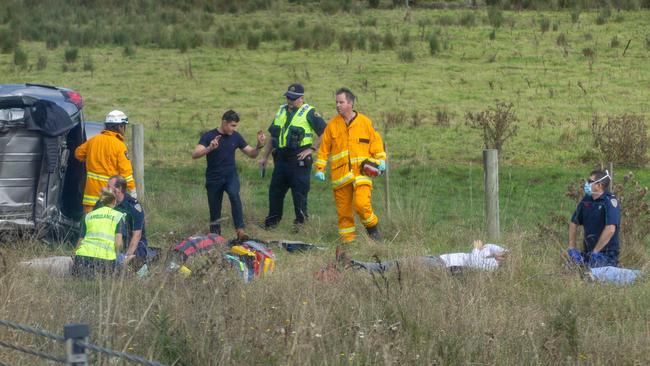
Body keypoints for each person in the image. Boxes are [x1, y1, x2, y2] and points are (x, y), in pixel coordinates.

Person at [314, 88, 386, 242]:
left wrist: (381, 160)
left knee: (361, 205)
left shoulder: (365, 122)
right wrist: (320, 169)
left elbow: (376, 143)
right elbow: (324, 149)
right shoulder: (332, 125)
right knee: (344, 212)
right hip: (340, 177)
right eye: (336, 102)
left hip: (361, 174)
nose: (338, 105)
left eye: (341, 102)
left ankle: (373, 231)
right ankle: (348, 242)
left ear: (350, 103)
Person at [259, 83, 327, 230]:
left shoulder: (309, 112)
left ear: (301, 98)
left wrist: (312, 149)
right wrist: (265, 157)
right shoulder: (281, 111)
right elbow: (273, 136)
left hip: (299, 160)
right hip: (281, 160)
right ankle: (271, 224)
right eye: (288, 97)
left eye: (293, 98)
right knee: (275, 192)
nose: (289, 100)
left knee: (299, 194)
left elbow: (325, 132)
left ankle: (301, 226)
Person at [192, 110, 265, 240]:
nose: (234, 128)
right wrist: (209, 148)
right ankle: (215, 236)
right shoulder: (209, 136)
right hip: (214, 177)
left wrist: (259, 145)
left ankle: (240, 231)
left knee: (234, 195)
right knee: (215, 208)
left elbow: (252, 154)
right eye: (232, 125)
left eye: (235, 126)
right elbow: (195, 154)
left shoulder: (236, 136)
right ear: (224, 122)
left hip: (230, 175)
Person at [75, 110, 136, 213]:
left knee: (90, 224)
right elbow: (126, 173)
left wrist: (91, 158)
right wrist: (132, 191)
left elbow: (78, 154)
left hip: (90, 193)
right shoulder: (119, 145)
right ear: (120, 127)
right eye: (124, 126)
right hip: (108, 193)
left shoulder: (93, 140)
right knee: (106, 223)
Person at [94, 175, 156, 264]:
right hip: (109, 242)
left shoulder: (133, 206)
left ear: (118, 189)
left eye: (109, 187)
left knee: (135, 259)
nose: (106, 189)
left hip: (131, 244)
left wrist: (126, 257)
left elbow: (137, 235)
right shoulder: (102, 203)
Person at [567, 169, 621, 268]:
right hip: (588, 252)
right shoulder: (586, 200)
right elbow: (574, 222)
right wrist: (571, 248)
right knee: (569, 269)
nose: (586, 184)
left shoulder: (609, 201)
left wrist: (596, 252)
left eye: (590, 182)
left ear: (599, 185)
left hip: (606, 254)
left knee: (591, 274)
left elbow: (610, 229)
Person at [72, 188, 126, 276]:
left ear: (101, 201)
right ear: (114, 202)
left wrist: (74, 257)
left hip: (82, 258)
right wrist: (119, 258)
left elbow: (80, 242)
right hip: (105, 261)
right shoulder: (118, 216)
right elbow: (118, 244)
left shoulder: (88, 216)